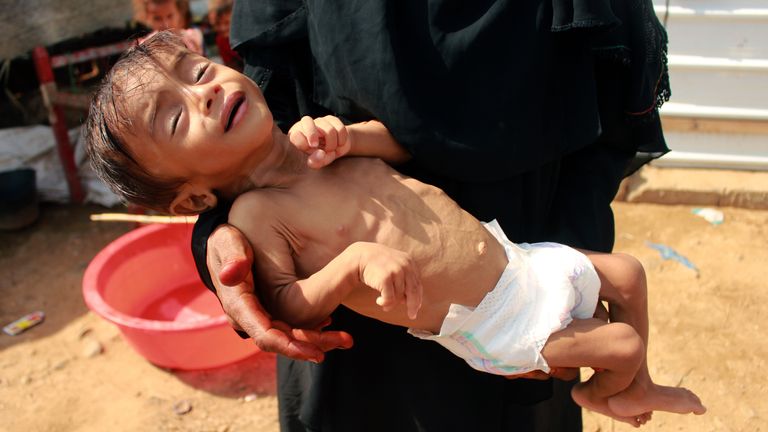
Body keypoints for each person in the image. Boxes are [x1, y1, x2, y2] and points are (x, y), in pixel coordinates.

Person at [83, 32, 704, 427]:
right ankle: (606, 391)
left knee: (630, 273)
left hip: (517, 260)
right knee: (615, 344)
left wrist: (351, 135)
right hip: (489, 320)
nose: (206, 95)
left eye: (198, 73)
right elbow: (289, 304)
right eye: (174, 117)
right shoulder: (255, 217)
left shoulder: (313, 141)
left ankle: (632, 391)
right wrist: (352, 265)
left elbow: (403, 152)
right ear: (192, 194)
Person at [133, 0, 204, 55]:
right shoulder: (145, 47)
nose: (166, 24)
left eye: (170, 16)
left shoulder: (193, 37)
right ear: (147, 17)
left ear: (179, 13)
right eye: (157, 18)